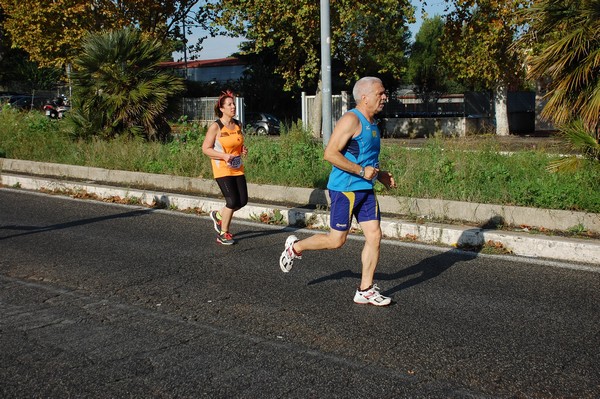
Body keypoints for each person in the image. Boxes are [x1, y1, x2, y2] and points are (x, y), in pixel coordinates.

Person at [279, 77, 396, 306]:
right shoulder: (351, 119)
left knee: (375, 235)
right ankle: (295, 247)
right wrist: (362, 171)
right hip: (345, 190)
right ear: (364, 97)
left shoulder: (372, 123)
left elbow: (366, 157)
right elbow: (330, 154)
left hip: (365, 190)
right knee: (336, 241)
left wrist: (379, 175)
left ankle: (365, 289)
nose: (385, 97)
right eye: (380, 93)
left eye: (385, 93)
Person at [202, 91, 248, 245]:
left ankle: (219, 215)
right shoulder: (216, 127)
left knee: (242, 201)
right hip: (221, 168)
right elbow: (206, 149)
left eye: (233, 103)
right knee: (232, 201)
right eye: (229, 104)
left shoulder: (237, 124)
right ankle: (223, 233)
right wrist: (224, 156)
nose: (233, 106)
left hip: (237, 167)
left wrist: (242, 150)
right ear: (222, 109)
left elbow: (237, 143)